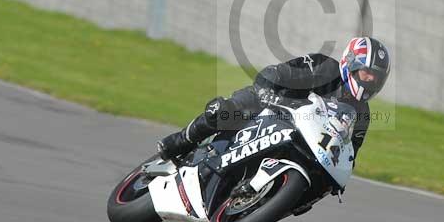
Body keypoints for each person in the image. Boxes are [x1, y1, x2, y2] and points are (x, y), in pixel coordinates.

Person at [156, 37, 391, 162]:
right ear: (351, 64)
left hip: (300, 139)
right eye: (365, 73)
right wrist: (267, 90)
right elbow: (278, 72)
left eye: (374, 77)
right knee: (222, 111)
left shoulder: (361, 113)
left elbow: (351, 152)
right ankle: (182, 140)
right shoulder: (323, 66)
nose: (369, 80)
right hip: (269, 105)